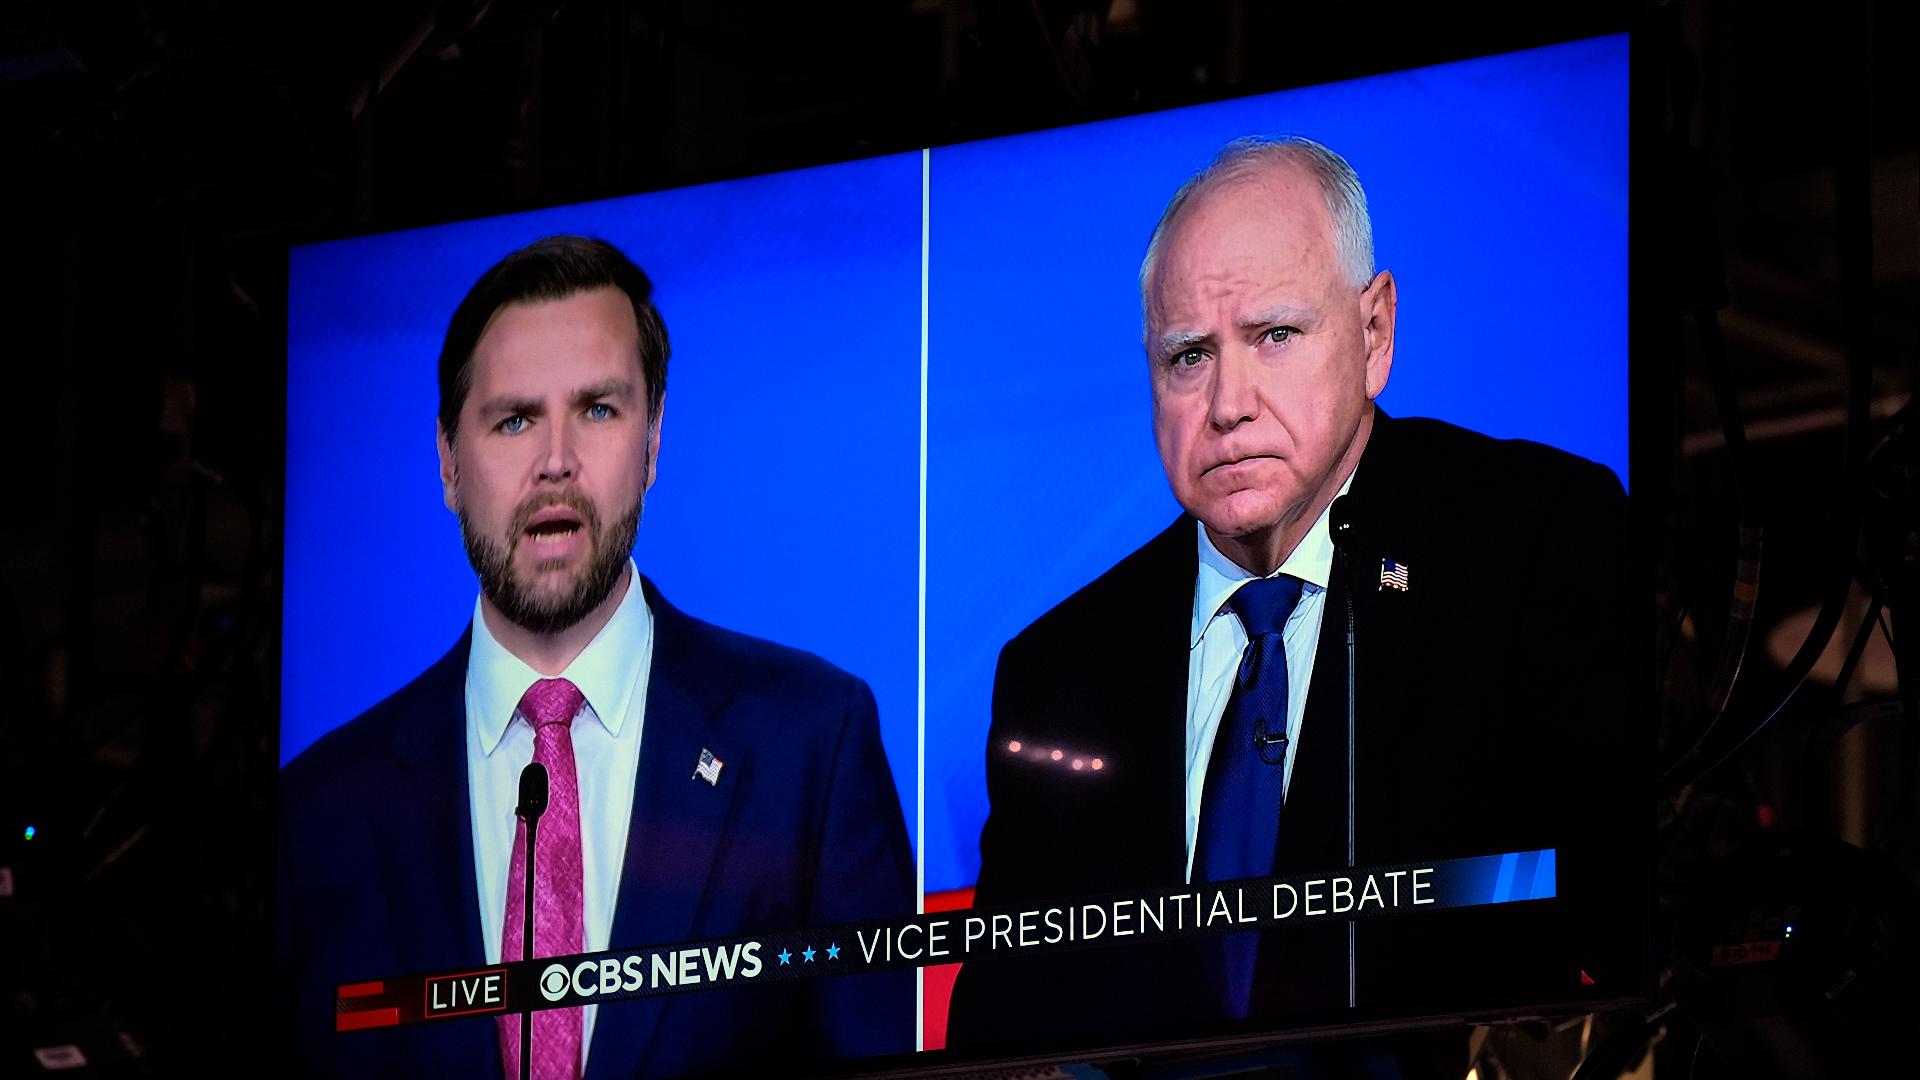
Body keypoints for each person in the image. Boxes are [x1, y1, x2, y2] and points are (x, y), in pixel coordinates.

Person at [946, 137, 1635, 1055]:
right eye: (1188, 356)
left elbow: (1617, 931)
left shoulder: (1532, 542)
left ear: (1374, 333)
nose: (1227, 400)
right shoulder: (1058, 669)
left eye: (1275, 335)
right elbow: (1007, 1034)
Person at [276, 236, 915, 1078]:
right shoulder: (321, 810)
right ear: (446, 463)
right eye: (514, 420)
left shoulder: (811, 744)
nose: (555, 463)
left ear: (652, 445)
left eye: (599, 410)